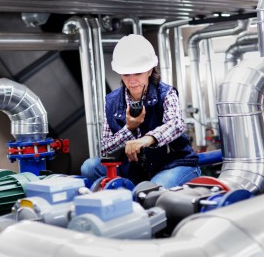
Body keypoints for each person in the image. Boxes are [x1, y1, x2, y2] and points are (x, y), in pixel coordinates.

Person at [81, 34, 200, 188]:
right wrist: (129, 129)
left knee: (151, 191)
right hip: (134, 171)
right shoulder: (111, 101)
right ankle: (130, 190)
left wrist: (147, 139)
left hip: (173, 164)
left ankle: (141, 191)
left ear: (150, 70)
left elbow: (176, 124)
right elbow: (105, 148)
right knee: (89, 167)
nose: (132, 80)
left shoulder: (166, 93)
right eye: (126, 74)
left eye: (138, 73)